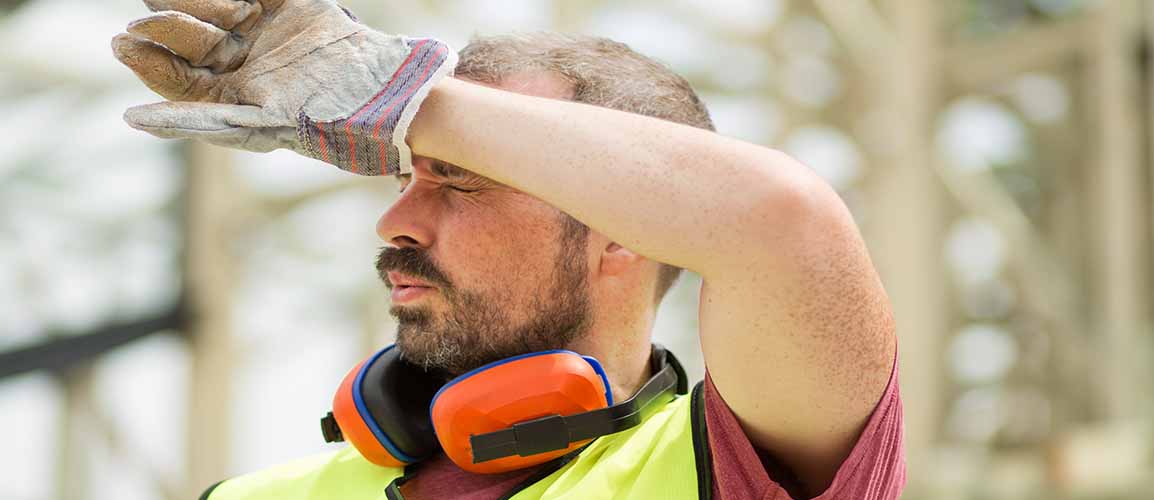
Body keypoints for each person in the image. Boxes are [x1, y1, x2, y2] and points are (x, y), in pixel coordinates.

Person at [113, 1, 905, 498]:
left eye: (460, 180)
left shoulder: (731, 473)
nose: (396, 223)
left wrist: (401, 98)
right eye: (405, 173)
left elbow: (779, 219)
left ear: (626, 230)